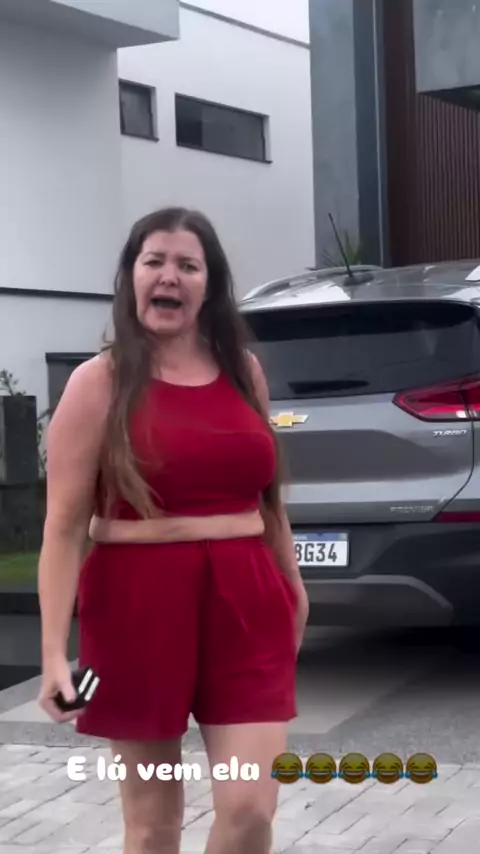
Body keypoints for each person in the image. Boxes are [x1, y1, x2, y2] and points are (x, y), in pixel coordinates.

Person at [37, 206, 309, 854]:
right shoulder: (97, 384)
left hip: (248, 599)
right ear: (130, 277)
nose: (170, 276)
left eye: (188, 265)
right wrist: (52, 656)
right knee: (154, 823)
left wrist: (294, 584)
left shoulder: (243, 372)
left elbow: (268, 499)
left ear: (209, 286)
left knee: (250, 808)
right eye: (154, 261)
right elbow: (63, 529)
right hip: (135, 604)